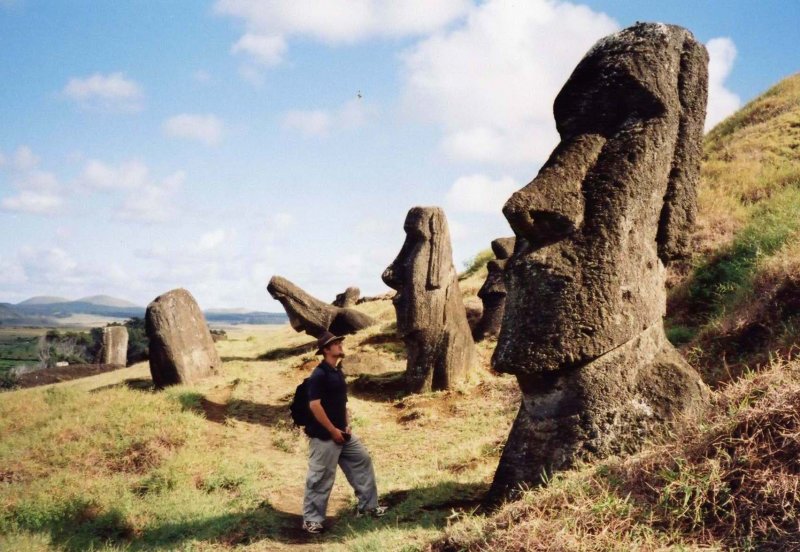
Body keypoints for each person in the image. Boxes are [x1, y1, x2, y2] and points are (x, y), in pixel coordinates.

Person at [302, 331, 386, 534]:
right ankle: (311, 520)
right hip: (324, 436)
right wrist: (332, 431)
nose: (340, 345)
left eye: (340, 341)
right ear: (326, 350)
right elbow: (314, 405)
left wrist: (346, 425)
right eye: (336, 343)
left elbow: (342, 403)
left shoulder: (337, 372)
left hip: (343, 433)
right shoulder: (319, 374)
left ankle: (368, 507)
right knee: (321, 477)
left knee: (362, 460)